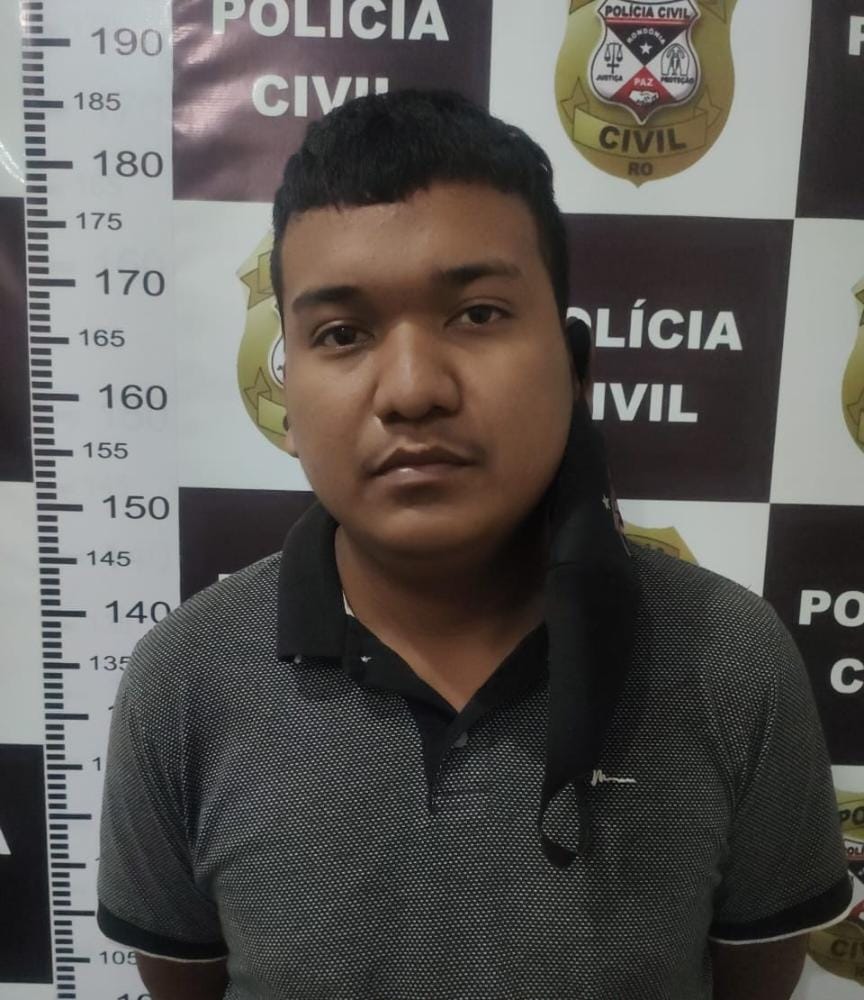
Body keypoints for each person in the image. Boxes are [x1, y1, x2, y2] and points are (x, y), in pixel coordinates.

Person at [97, 89, 852, 1000]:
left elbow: (754, 983)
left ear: (576, 369)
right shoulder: (184, 681)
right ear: (285, 398)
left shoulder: (730, 662)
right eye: (342, 333)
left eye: (478, 314)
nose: (413, 389)